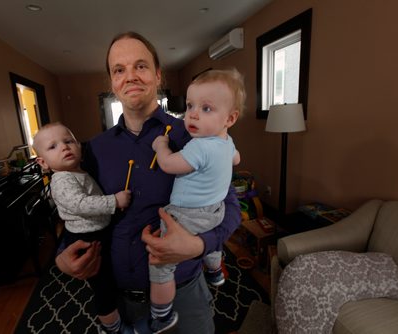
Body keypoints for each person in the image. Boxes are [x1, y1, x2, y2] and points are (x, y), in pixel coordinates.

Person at [54, 31, 241, 334]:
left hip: (183, 294)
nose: (130, 77)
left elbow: (230, 204)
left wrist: (198, 244)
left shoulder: (193, 133)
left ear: (157, 75)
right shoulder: (94, 149)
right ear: (112, 82)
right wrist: (63, 253)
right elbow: (75, 205)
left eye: (140, 66)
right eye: (119, 70)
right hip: (119, 299)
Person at [149, 68, 244, 331]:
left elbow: (168, 165)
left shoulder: (199, 145)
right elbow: (237, 159)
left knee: (160, 265)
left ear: (230, 118)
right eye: (190, 105)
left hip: (186, 214)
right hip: (216, 210)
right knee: (211, 240)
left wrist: (161, 147)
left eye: (206, 108)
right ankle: (214, 271)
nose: (192, 114)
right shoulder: (227, 142)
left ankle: (162, 314)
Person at [32, 122, 132, 334]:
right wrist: (114, 201)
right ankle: (113, 328)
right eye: (53, 147)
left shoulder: (78, 172)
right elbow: (80, 204)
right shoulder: (61, 180)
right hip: (87, 237)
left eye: (68, 141)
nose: (64, 147)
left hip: (98, 229)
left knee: (109, 278)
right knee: (102, 286)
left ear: (79, 146)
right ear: (43, 162)